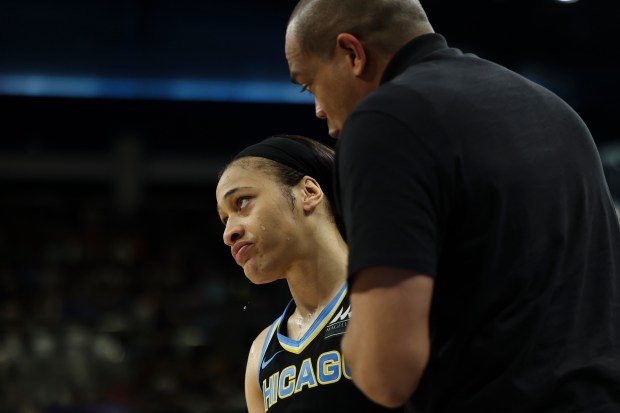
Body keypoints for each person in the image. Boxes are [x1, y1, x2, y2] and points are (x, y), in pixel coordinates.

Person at [283, 1, 620, 412]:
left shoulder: (384, 120)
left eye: (309, 84)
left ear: (352, 53)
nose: (317, 108)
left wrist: (349, 340)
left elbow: (387, 371)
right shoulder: (556, 111)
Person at [215, 135, 406, 412]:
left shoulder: (395, 296)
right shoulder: (261, 355)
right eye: (225, 219)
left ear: (309, 192)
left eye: (242, 202)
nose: (228, 233)